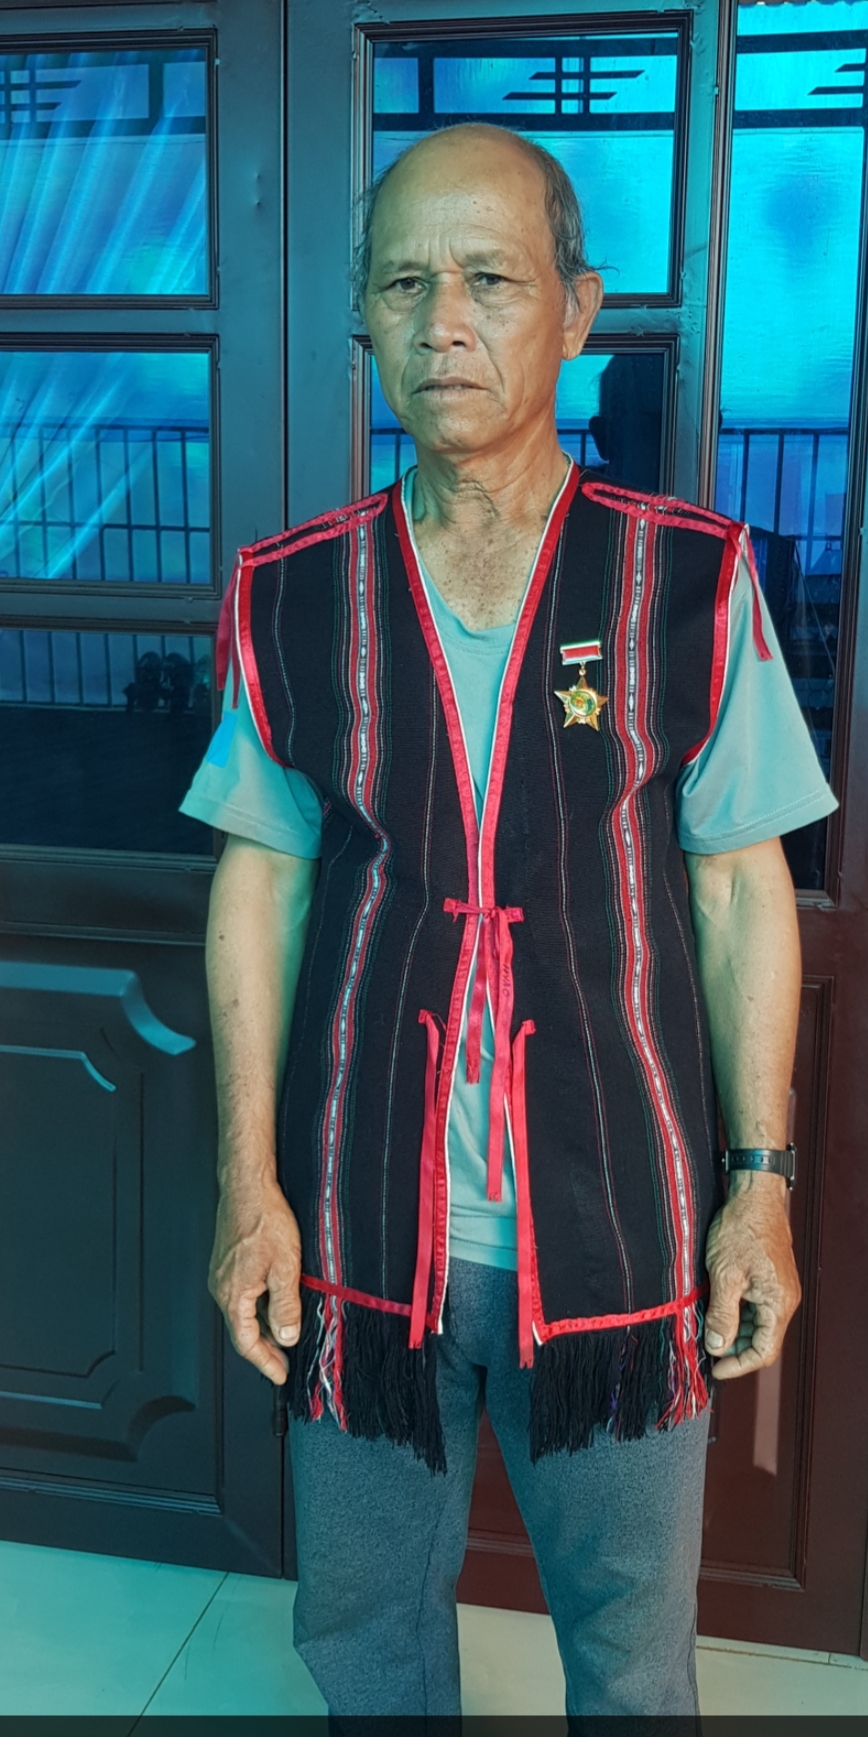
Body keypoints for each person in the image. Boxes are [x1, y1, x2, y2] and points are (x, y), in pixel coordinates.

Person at [180, 123, 837, 1722]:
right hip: (363, 1226)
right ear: (361, 313)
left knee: (632, 1659)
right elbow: (258, 884)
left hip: (617, 1216)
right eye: (405, 283)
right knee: (365, 1641)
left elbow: (739, 889)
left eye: (490, 278)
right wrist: (248, 1187)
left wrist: (760, 1187)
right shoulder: (297, 591)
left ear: (577, 309)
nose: (444, 323)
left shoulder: (687, 581)